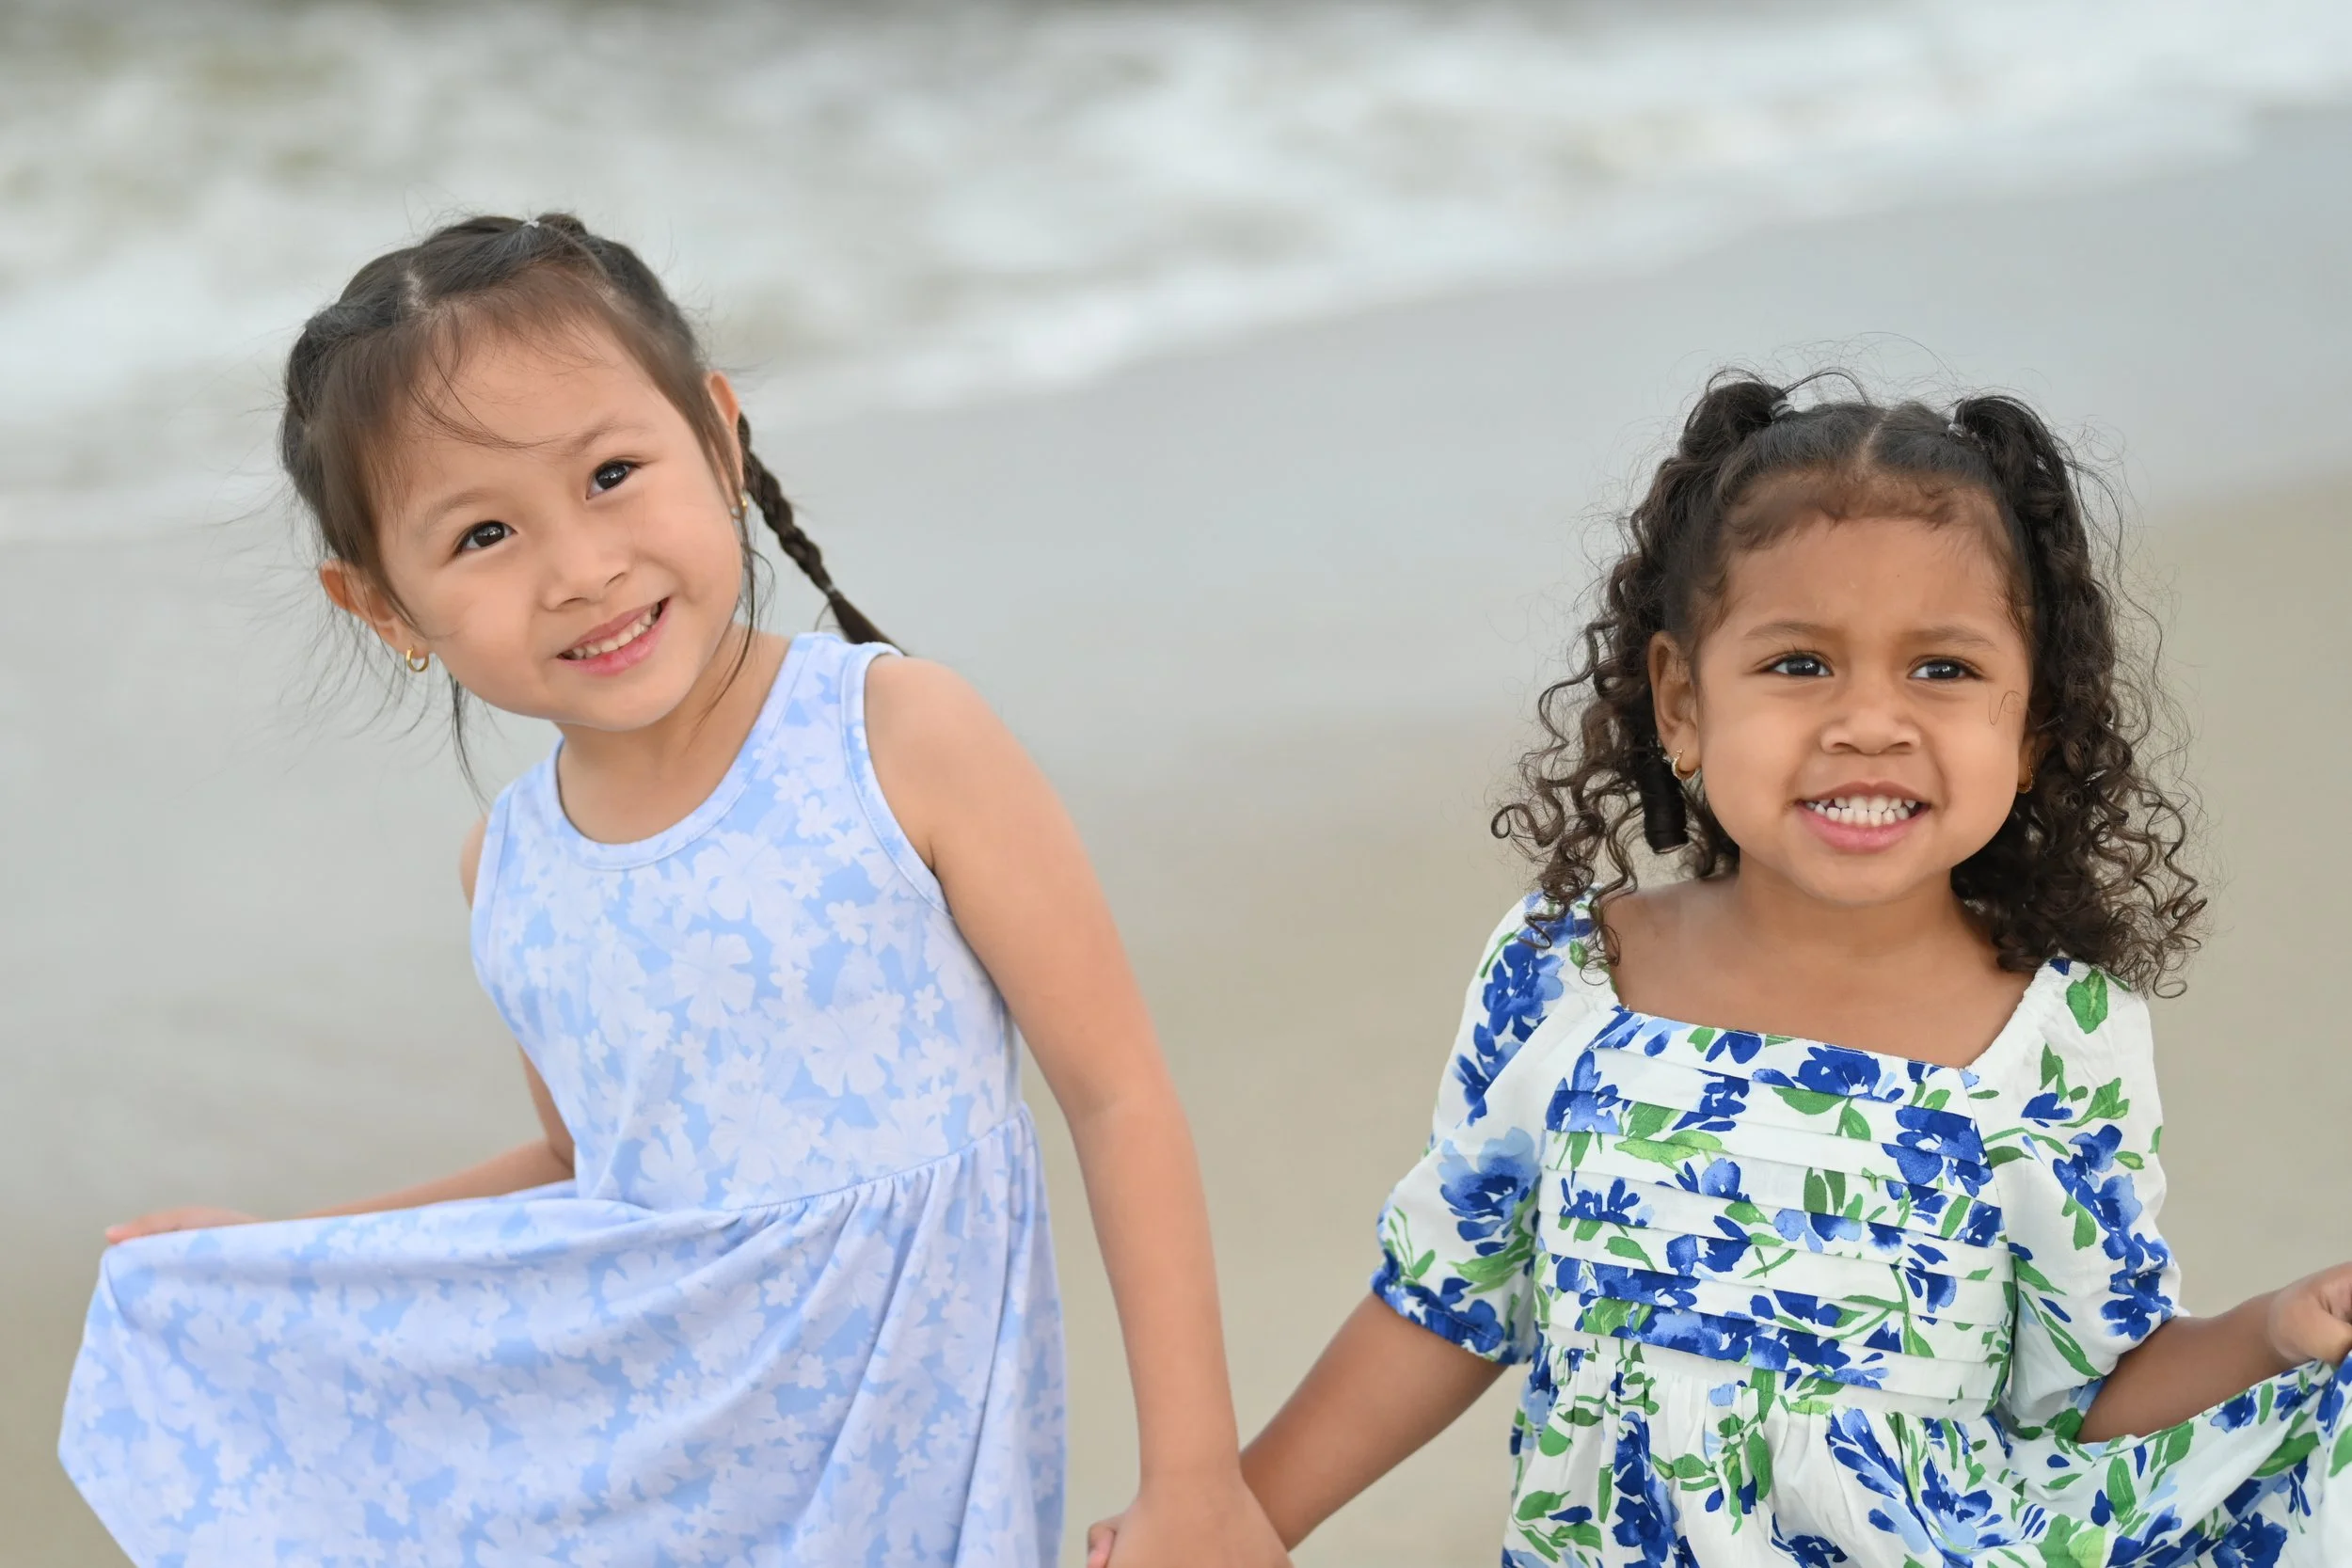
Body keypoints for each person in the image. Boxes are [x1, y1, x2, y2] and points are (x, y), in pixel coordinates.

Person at [59, 214, 1286, 1568]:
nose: (581, 569)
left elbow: (1116, 1095)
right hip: (652, 1479)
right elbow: (585, 1170)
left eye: (611, 473)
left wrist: (1195, 1478)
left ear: (718, 436)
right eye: (483, 534)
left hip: (898, 1460)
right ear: (385, 608)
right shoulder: (510, 870)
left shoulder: (896, 740)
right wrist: (285, 1251)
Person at [1095, 373, 2352, 1565]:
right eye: (1800, 663)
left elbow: (2090, 1389)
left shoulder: (2054, 1032)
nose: (1869, 721)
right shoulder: (1570, 976)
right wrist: (1232, 1521)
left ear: (2031, 729)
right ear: (1682, 703)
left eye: (1945, 668)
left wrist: (2272, 1331)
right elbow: (1448, 1300)